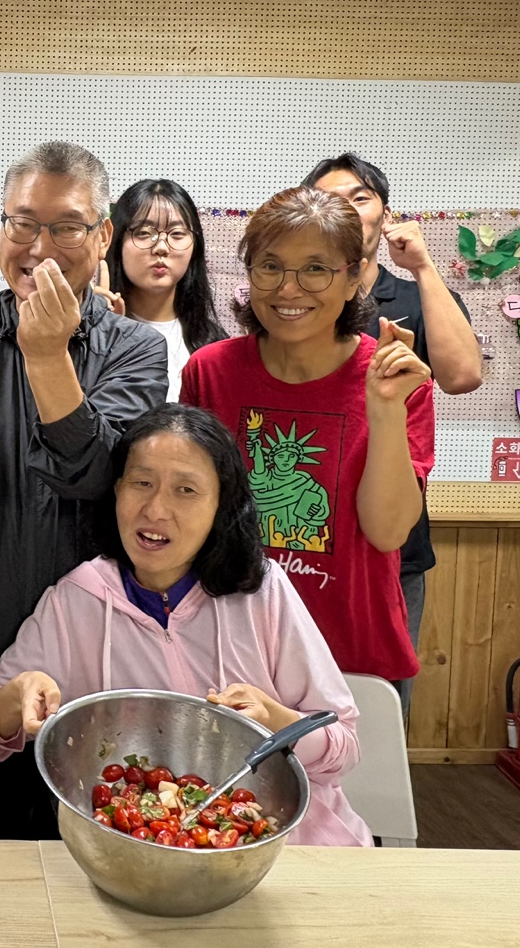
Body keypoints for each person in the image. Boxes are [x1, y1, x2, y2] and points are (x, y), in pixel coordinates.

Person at [0, 140, 168, 838]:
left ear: (103, 236)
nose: (39, 246)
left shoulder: (136, 346)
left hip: (95, 633)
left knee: (99, 821)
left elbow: (97, 473)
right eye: (22, 224)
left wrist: (47, 355)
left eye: (66, 226)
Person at [0, 404, 372, 846]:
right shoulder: (76, 599)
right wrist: (17, 694)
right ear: (116, 490)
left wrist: (277, 721)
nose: (155, 510)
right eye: (142, 483)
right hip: (140, 854)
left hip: (296, 849)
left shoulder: (261, 590)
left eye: (185, 490)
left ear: (222, 504)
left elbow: (343, 746)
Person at [180, 186, 434, 686]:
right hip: (229, 645)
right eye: (269, 266)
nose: (288, 289)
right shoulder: (209, 372)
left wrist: (383, 408)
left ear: (354, 278)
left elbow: (387, 533)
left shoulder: (395, 378)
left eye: (315, 269)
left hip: (351, 653)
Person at [304, 154, 481, 716]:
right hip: (304, 542)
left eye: (360, 197)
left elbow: (462, 376)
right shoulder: (297, 299)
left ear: (384, 213)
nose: (347, 209)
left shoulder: (411, 297)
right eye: (330, 199)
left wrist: (424, 268)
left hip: (392, 542)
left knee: (377, 708)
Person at [101, 178, 226, 399]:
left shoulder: (214, 346)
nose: (160, 247)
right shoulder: (92, 332)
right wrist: (95, 331)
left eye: (177, 234)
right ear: (116, 240)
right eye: (143, 232)